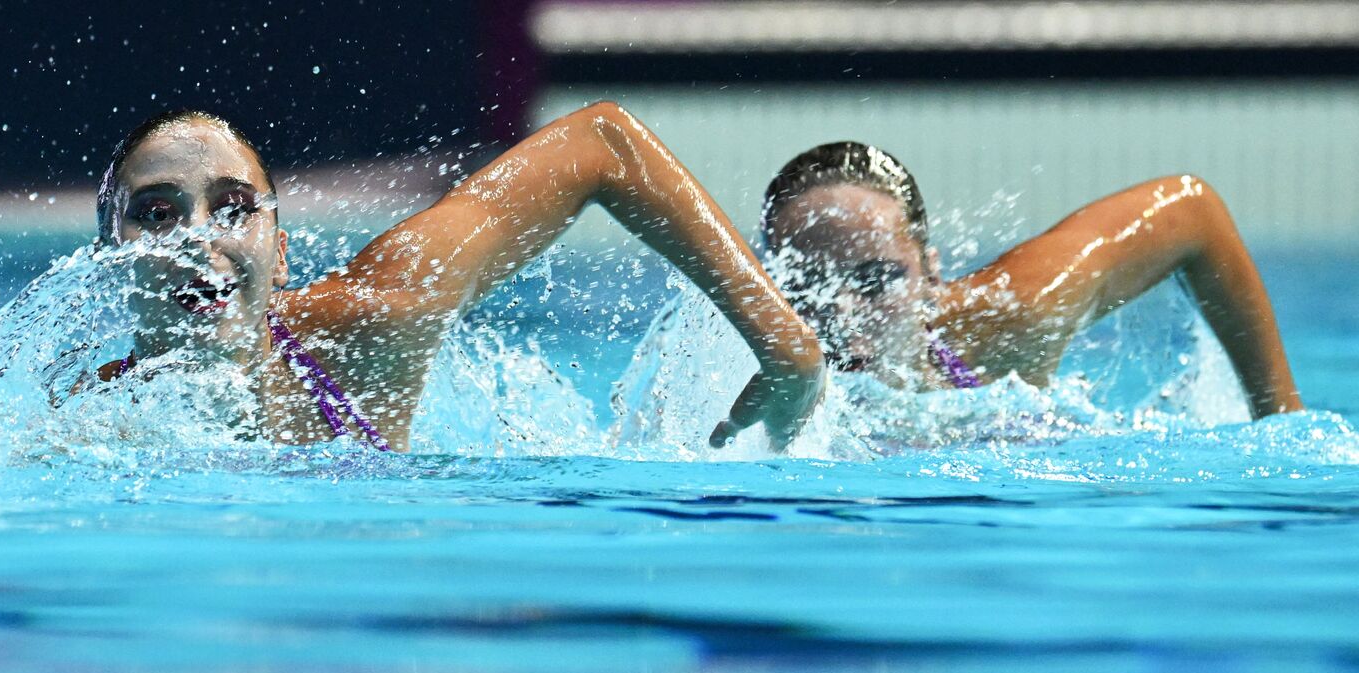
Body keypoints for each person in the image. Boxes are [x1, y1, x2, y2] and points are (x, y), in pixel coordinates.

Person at [93, 104, 825, 452]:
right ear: (106, 258)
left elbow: (605, 143)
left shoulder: (372, 323)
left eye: (233, 208)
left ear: (280, 252)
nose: (197, 238)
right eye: (156, 214)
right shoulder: (81, 425)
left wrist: (785, 346)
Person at [759, 142, 1303, 419]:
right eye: (806, 286)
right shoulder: (733, 373)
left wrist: (1277, 418)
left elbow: (1194, 212)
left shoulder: (1010, 317)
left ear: (930, 271)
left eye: (878, 278)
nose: (844, 312)